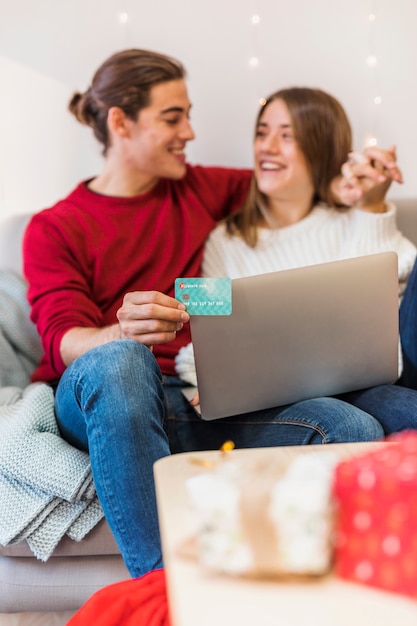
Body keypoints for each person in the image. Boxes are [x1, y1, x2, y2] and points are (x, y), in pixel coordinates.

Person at [23, 50, 388, 579]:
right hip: (101, 394)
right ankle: (160, 590)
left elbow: (286, 181)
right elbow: (62, 339)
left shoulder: (198, 189)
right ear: (121, 123)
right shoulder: (54, 227)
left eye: (188, 115)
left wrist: (351, 188)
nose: (190, 132)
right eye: (173, 118)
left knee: (350, 424)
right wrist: (121, 332)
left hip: (189, 397)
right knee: (123, 361)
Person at [175, 86, 417, 436]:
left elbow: (400, 282)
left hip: (382, 376)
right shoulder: (224, 241)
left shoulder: (354, 214)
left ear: (320, 148)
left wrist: (371, 210)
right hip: (305, 403)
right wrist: (213, 385)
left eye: (287, 136)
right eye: (262, 133)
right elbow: (207, 340)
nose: (267, 147)